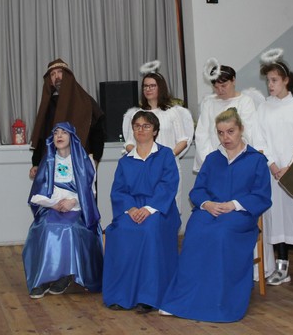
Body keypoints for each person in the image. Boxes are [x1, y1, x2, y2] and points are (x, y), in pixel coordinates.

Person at [160, 108, 271, 322]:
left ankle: (219, 301)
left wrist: (234, 205)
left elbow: (262, 195)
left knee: (221, 234)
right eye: (220, 133)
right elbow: (197, 190)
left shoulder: (256, 160)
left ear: (241, 129)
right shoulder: (212, 159)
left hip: (240, 214)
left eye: (230, 131)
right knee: (194, 230)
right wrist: (207, 204)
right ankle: (183, 299)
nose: (225, 137)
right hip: (211, 211)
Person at [102, 111, 181, 313]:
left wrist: (148, 208)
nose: (141, 130)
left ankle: (149, 297)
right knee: (119, 231)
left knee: (149, 230)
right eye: (137, 126)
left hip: (160, 210)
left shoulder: (165, 155)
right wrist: (131, 209)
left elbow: (168, 185)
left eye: (146, 126)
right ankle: (121, 294)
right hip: (131, 210)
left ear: (155, 131)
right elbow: (118, 191)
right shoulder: (125, 161)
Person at [251, 49, 293, 289]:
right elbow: (259, 139)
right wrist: (273, 165)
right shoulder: (263, 108)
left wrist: (290, 166)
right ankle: (282, 266)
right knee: (277, 220)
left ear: (286, 80)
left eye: (274, 80)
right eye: (268, 80)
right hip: (273, 174)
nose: (270, 85)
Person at [23, 122, 103, 298]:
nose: (59, 136)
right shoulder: (48, 162)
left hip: (78, 208)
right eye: (56, 133)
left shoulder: (85, 161)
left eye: (64, 133)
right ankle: (42, 279)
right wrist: (53, 204)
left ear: (72, 137)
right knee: (46, 227)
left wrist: (73, 201)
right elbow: (37, 193)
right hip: (52, 208)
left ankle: (66, 274)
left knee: (69, 228)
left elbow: (91, 192)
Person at [121, 61, 194, 207]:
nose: (148, 89)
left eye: (152, 86)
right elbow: (129, 143)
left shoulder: (172, 112)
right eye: (145, 86)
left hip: (168, 167)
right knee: (145, 208)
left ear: (161, 88)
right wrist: (144, 158)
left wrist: (165, 157)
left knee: (169, 207)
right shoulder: (136, 114)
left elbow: (183, 140)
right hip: (143, 169)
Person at [29, 58, 105, 179]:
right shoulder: (48, 105)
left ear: (68, 76)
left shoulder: (84, 101)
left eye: (60, 72)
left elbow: (97, 133)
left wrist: (95, 159)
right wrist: (36, 163)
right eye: (53, 74)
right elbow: (42, 136)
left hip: (81, 164)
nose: (57, 77)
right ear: (50, 81)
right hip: (53, 165)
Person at [193, 59, 257, 172]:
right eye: (216, 87)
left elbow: (248, 133)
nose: (220, 90)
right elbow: (201, 136)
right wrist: (211, 161)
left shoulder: (245, 102)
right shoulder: (209, 103)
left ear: (233, 81)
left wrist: (236, 159)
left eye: (223, 85)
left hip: (238, 161)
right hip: (213, 162)